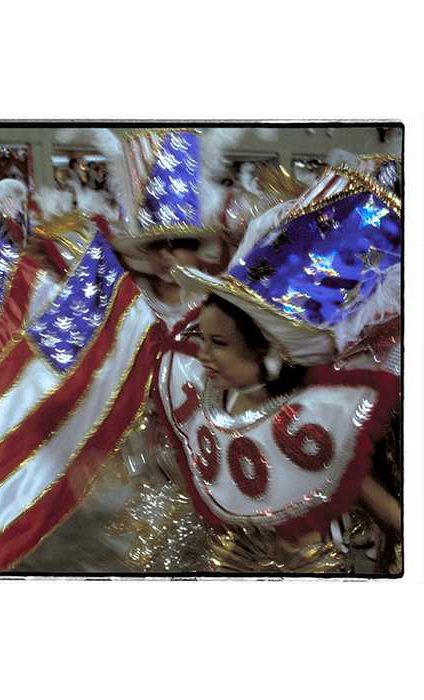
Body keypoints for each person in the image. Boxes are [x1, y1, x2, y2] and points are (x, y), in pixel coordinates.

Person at [158, 157, 402, 573]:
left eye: (218, 343)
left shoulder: (321, 414)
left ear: (263, 354)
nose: (202, 355)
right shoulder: (204, 392)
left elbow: (367, 496)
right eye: (203, 338)